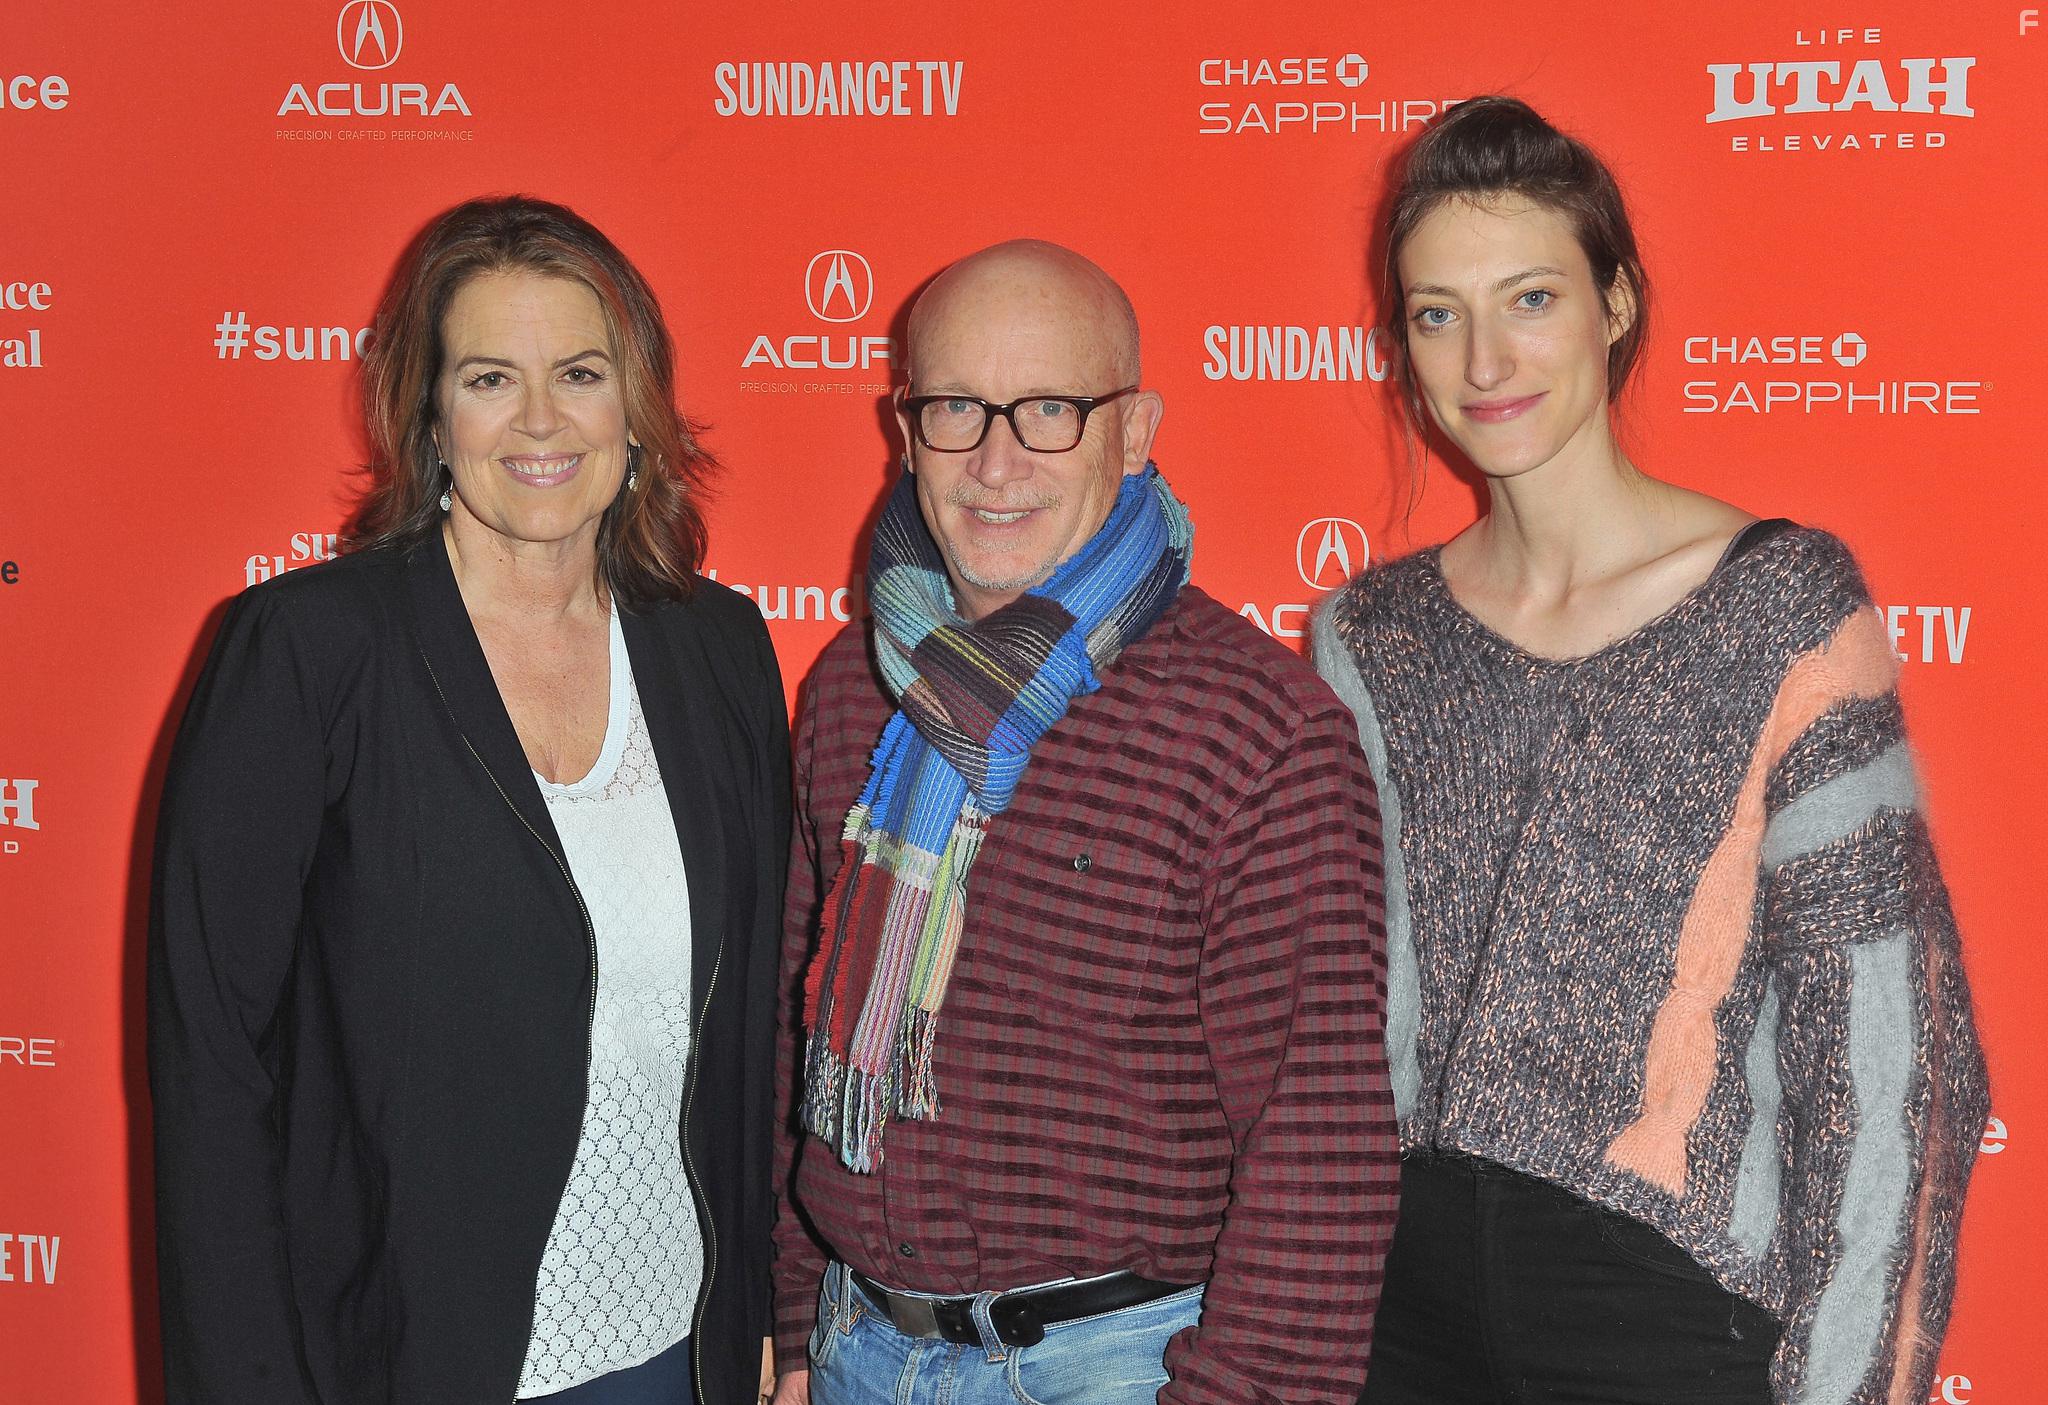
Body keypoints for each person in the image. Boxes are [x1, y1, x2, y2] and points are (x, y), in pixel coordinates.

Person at [1314, 97, 1991, 1405]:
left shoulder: (1780, 607)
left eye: (1530, 298)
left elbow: (1898, 1066)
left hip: (1670, 1319)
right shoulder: (1367, 635)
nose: (1483, 358)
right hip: (1400, 1316)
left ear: (1614, 303)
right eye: (1437, 312)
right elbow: (1349, 1030)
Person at [149, 196, 789, 1405]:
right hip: (402, 1358)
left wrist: (758, 1313)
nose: (541, 421)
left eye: (580, 373)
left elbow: (751, 1022)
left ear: (635, 405)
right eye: (491, 376)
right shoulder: (307, 651)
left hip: (674, 1352)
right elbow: (212, 1066)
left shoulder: (719, 651)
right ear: (431, 415)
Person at [766, 239, 1397, 1405]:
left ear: (1134, 428)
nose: (995, 460)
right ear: (905, 428)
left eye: (1050, 409)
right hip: (853, 1349)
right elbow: (800, 1028)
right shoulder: (856, 686)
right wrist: (794, 1316)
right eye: (957, 406)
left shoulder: (1255, 728)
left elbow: (1318, 1140)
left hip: (1115, 1372)